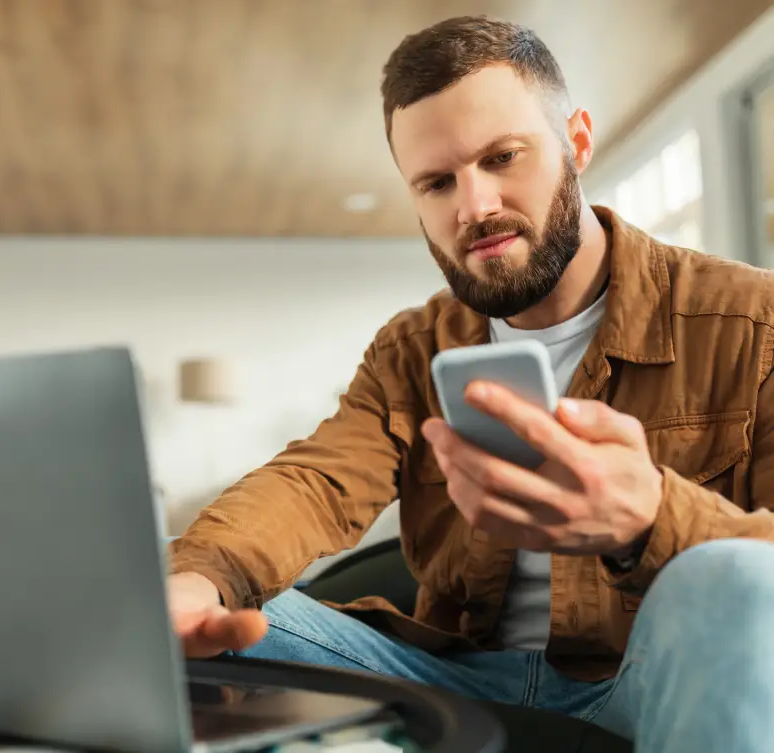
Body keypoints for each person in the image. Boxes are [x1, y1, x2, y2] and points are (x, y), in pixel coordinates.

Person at [167, 15, 774, 753]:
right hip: (450, 674)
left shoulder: (751, 319)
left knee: (742, 578)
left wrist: (652, 517)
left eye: (501, 158)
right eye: (436, 181)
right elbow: (316, 481)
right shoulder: (410, 347)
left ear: (576, 142)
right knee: (179, 600)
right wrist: (198, 577)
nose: (473, 206)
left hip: (649, 677)